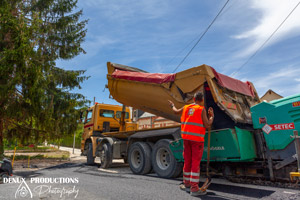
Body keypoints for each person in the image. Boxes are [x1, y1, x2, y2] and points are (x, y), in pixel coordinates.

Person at [168, 92, 214, 196]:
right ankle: (194, 189)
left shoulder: (185, 107)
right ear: (202, 100)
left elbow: (175, 111)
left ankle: (187, 184)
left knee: (187, 161)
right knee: (195, 164)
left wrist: (172, 105)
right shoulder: (201, 109)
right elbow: (207, 125)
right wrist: (211, 117)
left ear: (193, 98)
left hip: (186, 139)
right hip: (197, 140)